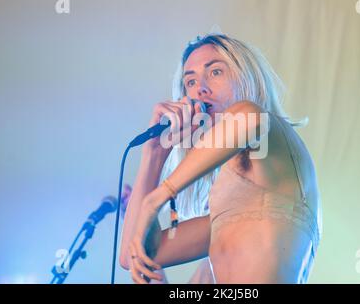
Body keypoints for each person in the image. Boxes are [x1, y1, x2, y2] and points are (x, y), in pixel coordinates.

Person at [119, 33, 322, 284]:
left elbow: (247, 117)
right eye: (190, 82)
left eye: (215, 72)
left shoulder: (271, 132)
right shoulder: (237, 207)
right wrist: (154, 155)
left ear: (247, 77)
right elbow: (135, 256)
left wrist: (157, 198)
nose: (200, 88)